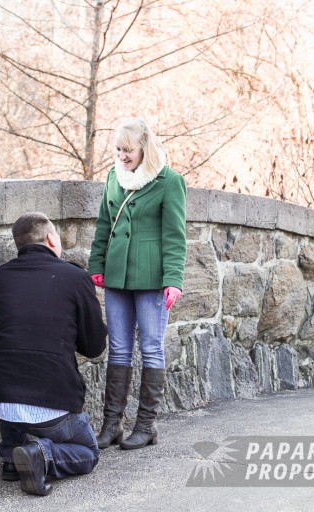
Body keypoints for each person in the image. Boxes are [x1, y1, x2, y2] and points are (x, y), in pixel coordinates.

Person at [0, 212, 108, 496]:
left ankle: (12, 456)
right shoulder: (75, 277)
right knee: (88, 452)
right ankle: (40, 454)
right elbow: (94, 347)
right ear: (51, 239)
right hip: (50, 399)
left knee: (14, 369)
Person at [88, 117, 187, 451]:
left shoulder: (169, 181)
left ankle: (146, 426)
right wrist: (96, 264)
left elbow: (175, 235)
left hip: (152, 277)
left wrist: (173, 279)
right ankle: (111, 425)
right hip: (117, 275)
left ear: (144, 147)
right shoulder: (114, 177)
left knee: (151, 346)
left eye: (127, 150)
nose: (122, 155)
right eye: (118, 149)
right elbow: (104, 223)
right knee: (118, 346)